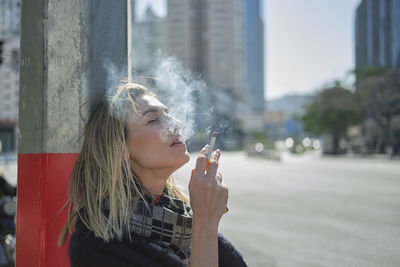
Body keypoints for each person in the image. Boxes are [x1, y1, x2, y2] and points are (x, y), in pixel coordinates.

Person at [58, 82, 247, 267]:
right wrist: (205, 222)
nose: (176, 123)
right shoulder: (96, 244)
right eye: (153, 119)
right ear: (119, 148)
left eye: (167, 113)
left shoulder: (182, 219)